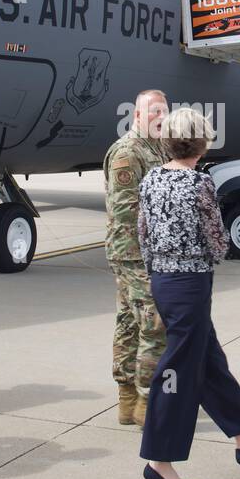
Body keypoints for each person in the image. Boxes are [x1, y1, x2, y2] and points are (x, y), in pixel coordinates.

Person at [137, 106, 240, 479]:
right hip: (191, 282)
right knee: (177, 371)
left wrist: (157, 267)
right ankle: (159, 460)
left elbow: (143, 231)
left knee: (208, 360)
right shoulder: (199, 184)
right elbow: (217, 238)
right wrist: (212, 256)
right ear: (201, 144)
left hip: (163, 280)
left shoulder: (151, 179)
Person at [104, 89, 170, 427]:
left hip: (148, 251)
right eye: (154, 110)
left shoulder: (157, 148)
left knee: (130, 323)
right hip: (132, 252)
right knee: (155, 321)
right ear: (138, 115)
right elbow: (126, 211)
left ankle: (127, 400)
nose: (160, 116)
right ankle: (145, 400)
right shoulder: (128, 152)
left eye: (164, 110)